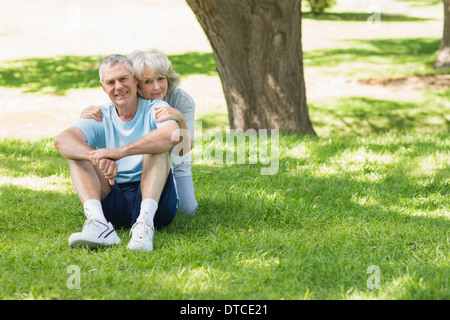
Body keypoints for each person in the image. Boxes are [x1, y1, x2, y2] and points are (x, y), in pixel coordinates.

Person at [54, 54, 182, 251]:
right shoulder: (99, 115)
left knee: (155, 146)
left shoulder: (156, 107)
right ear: (103, 87)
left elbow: (172, 135)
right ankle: (98, 224)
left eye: (123, 79)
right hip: (114, 201)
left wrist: (119, 153)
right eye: (110, 82)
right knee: (78, 154)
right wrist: (96, 156)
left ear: (135, 80)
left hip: (155, 203)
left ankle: (144, 226)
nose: (118, 87)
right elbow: (63, 140)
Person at [81, 50, 198, 216]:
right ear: (136, 83)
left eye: (161, 79)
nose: (156, 87)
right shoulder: (132, 100)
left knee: (188, 211)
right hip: (137, 164)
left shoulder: (181, 100)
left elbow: (183, 150)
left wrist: (180, 120)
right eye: (148, 81)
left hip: (176, 160)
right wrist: (87, 117)